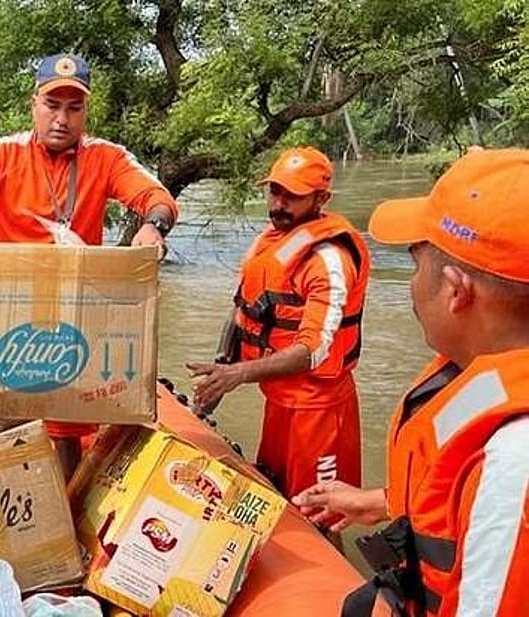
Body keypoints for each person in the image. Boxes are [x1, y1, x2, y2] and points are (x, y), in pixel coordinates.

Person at [0, 53, 178, 476]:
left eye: (74, 108)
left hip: (69, 311)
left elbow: (158, 198)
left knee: (65, 428)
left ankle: (66, 521)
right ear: (34, 104)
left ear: (86, 112)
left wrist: (153, 228)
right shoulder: (1, 153)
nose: (62, 119)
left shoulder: (106, 157)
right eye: (53, 106)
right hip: (3, 309)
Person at [292, 149, 529, 617]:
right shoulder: (481, 373)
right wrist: (380, 502)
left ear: (456, 290)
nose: (412, 283)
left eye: (416, 262)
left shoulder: (513, 462)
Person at [187, 147, 369, 505]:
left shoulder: (329, 259)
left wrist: (239, 374)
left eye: (293, 196)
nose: (279, 204)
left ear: (321, 199)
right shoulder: (267, 242)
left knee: (319, 511)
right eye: (275, 192)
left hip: (319, 408)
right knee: (276, 493)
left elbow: (314, 350)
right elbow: (242, 308)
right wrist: (222, 372)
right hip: (278, 400)